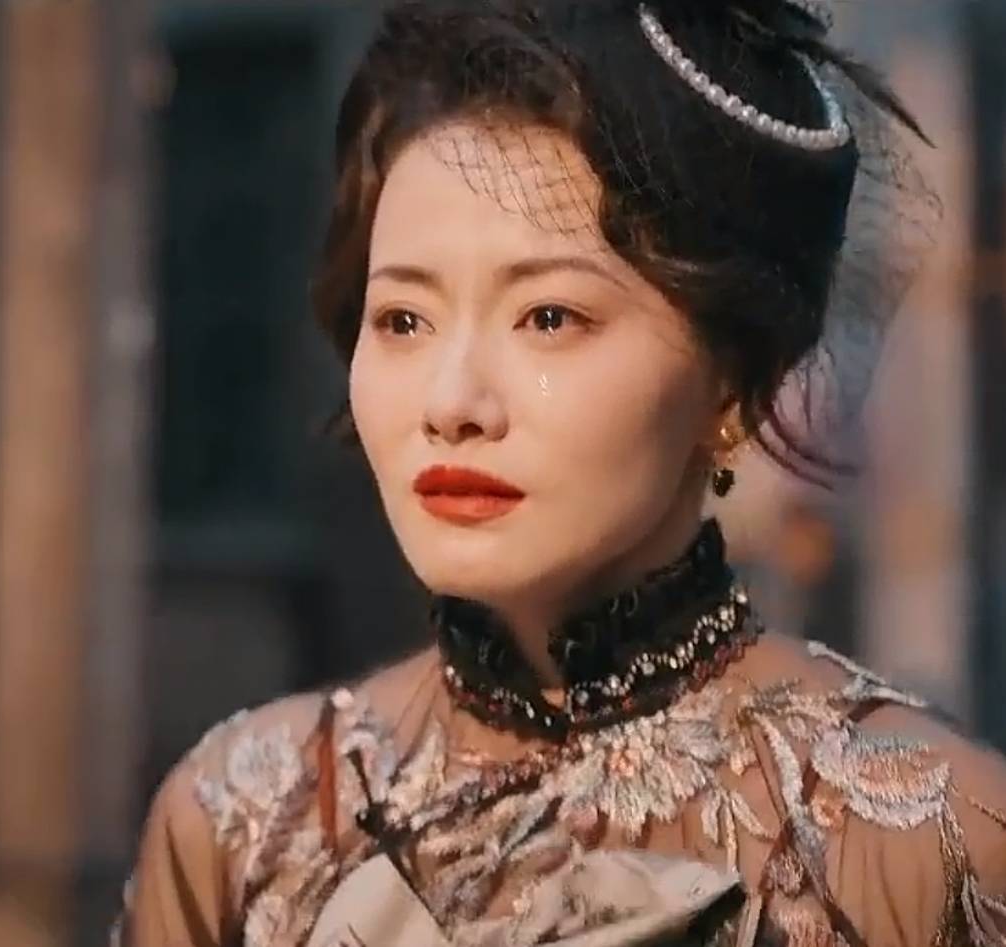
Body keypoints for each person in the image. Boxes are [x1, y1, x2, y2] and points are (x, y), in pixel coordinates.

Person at [115, 0, 1006, 944]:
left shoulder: (928, 841)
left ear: (733, 382)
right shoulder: (241, 821)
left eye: (548, 317)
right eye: (404, 321)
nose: (452, 402)